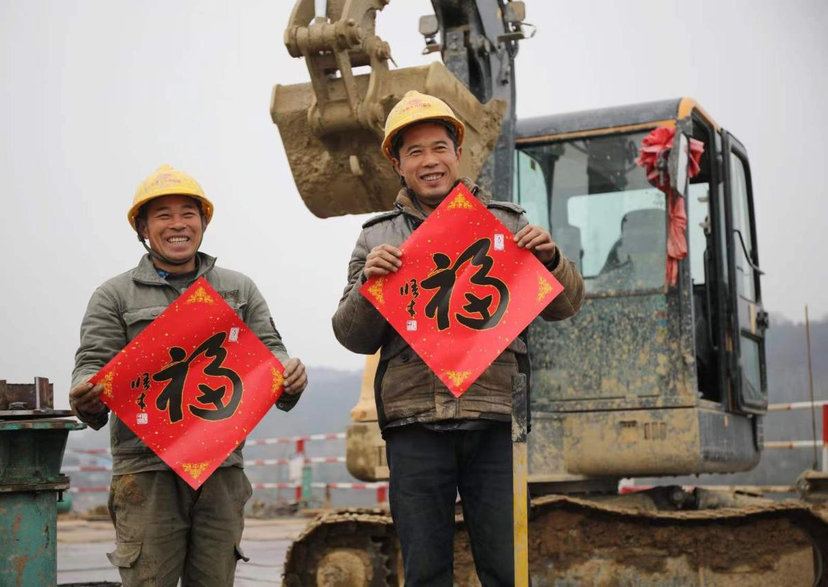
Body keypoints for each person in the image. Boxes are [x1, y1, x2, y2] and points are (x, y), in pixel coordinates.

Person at [332, 91, 584, 586]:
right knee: (425, 571)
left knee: (506, 569)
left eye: (439, 147)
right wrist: (369, 288)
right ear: (398, 166)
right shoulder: (376, 239)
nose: (430, 161)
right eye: (415, 152)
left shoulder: (507, 222)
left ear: (457, 152)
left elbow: (565, 306)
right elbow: (351, 335)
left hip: (495, 422)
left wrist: (552, 261)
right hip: (413, 424)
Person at [69, 164, 307, 585]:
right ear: (142, 227)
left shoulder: (238, 289)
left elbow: (271, 352)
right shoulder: (114, 295)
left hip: (221, 469)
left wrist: (289, 377)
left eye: (188, 213)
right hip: (146, 473)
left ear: (203, 222)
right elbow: (92, 366)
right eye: (162, 215)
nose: (177, 224)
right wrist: (84, 395)